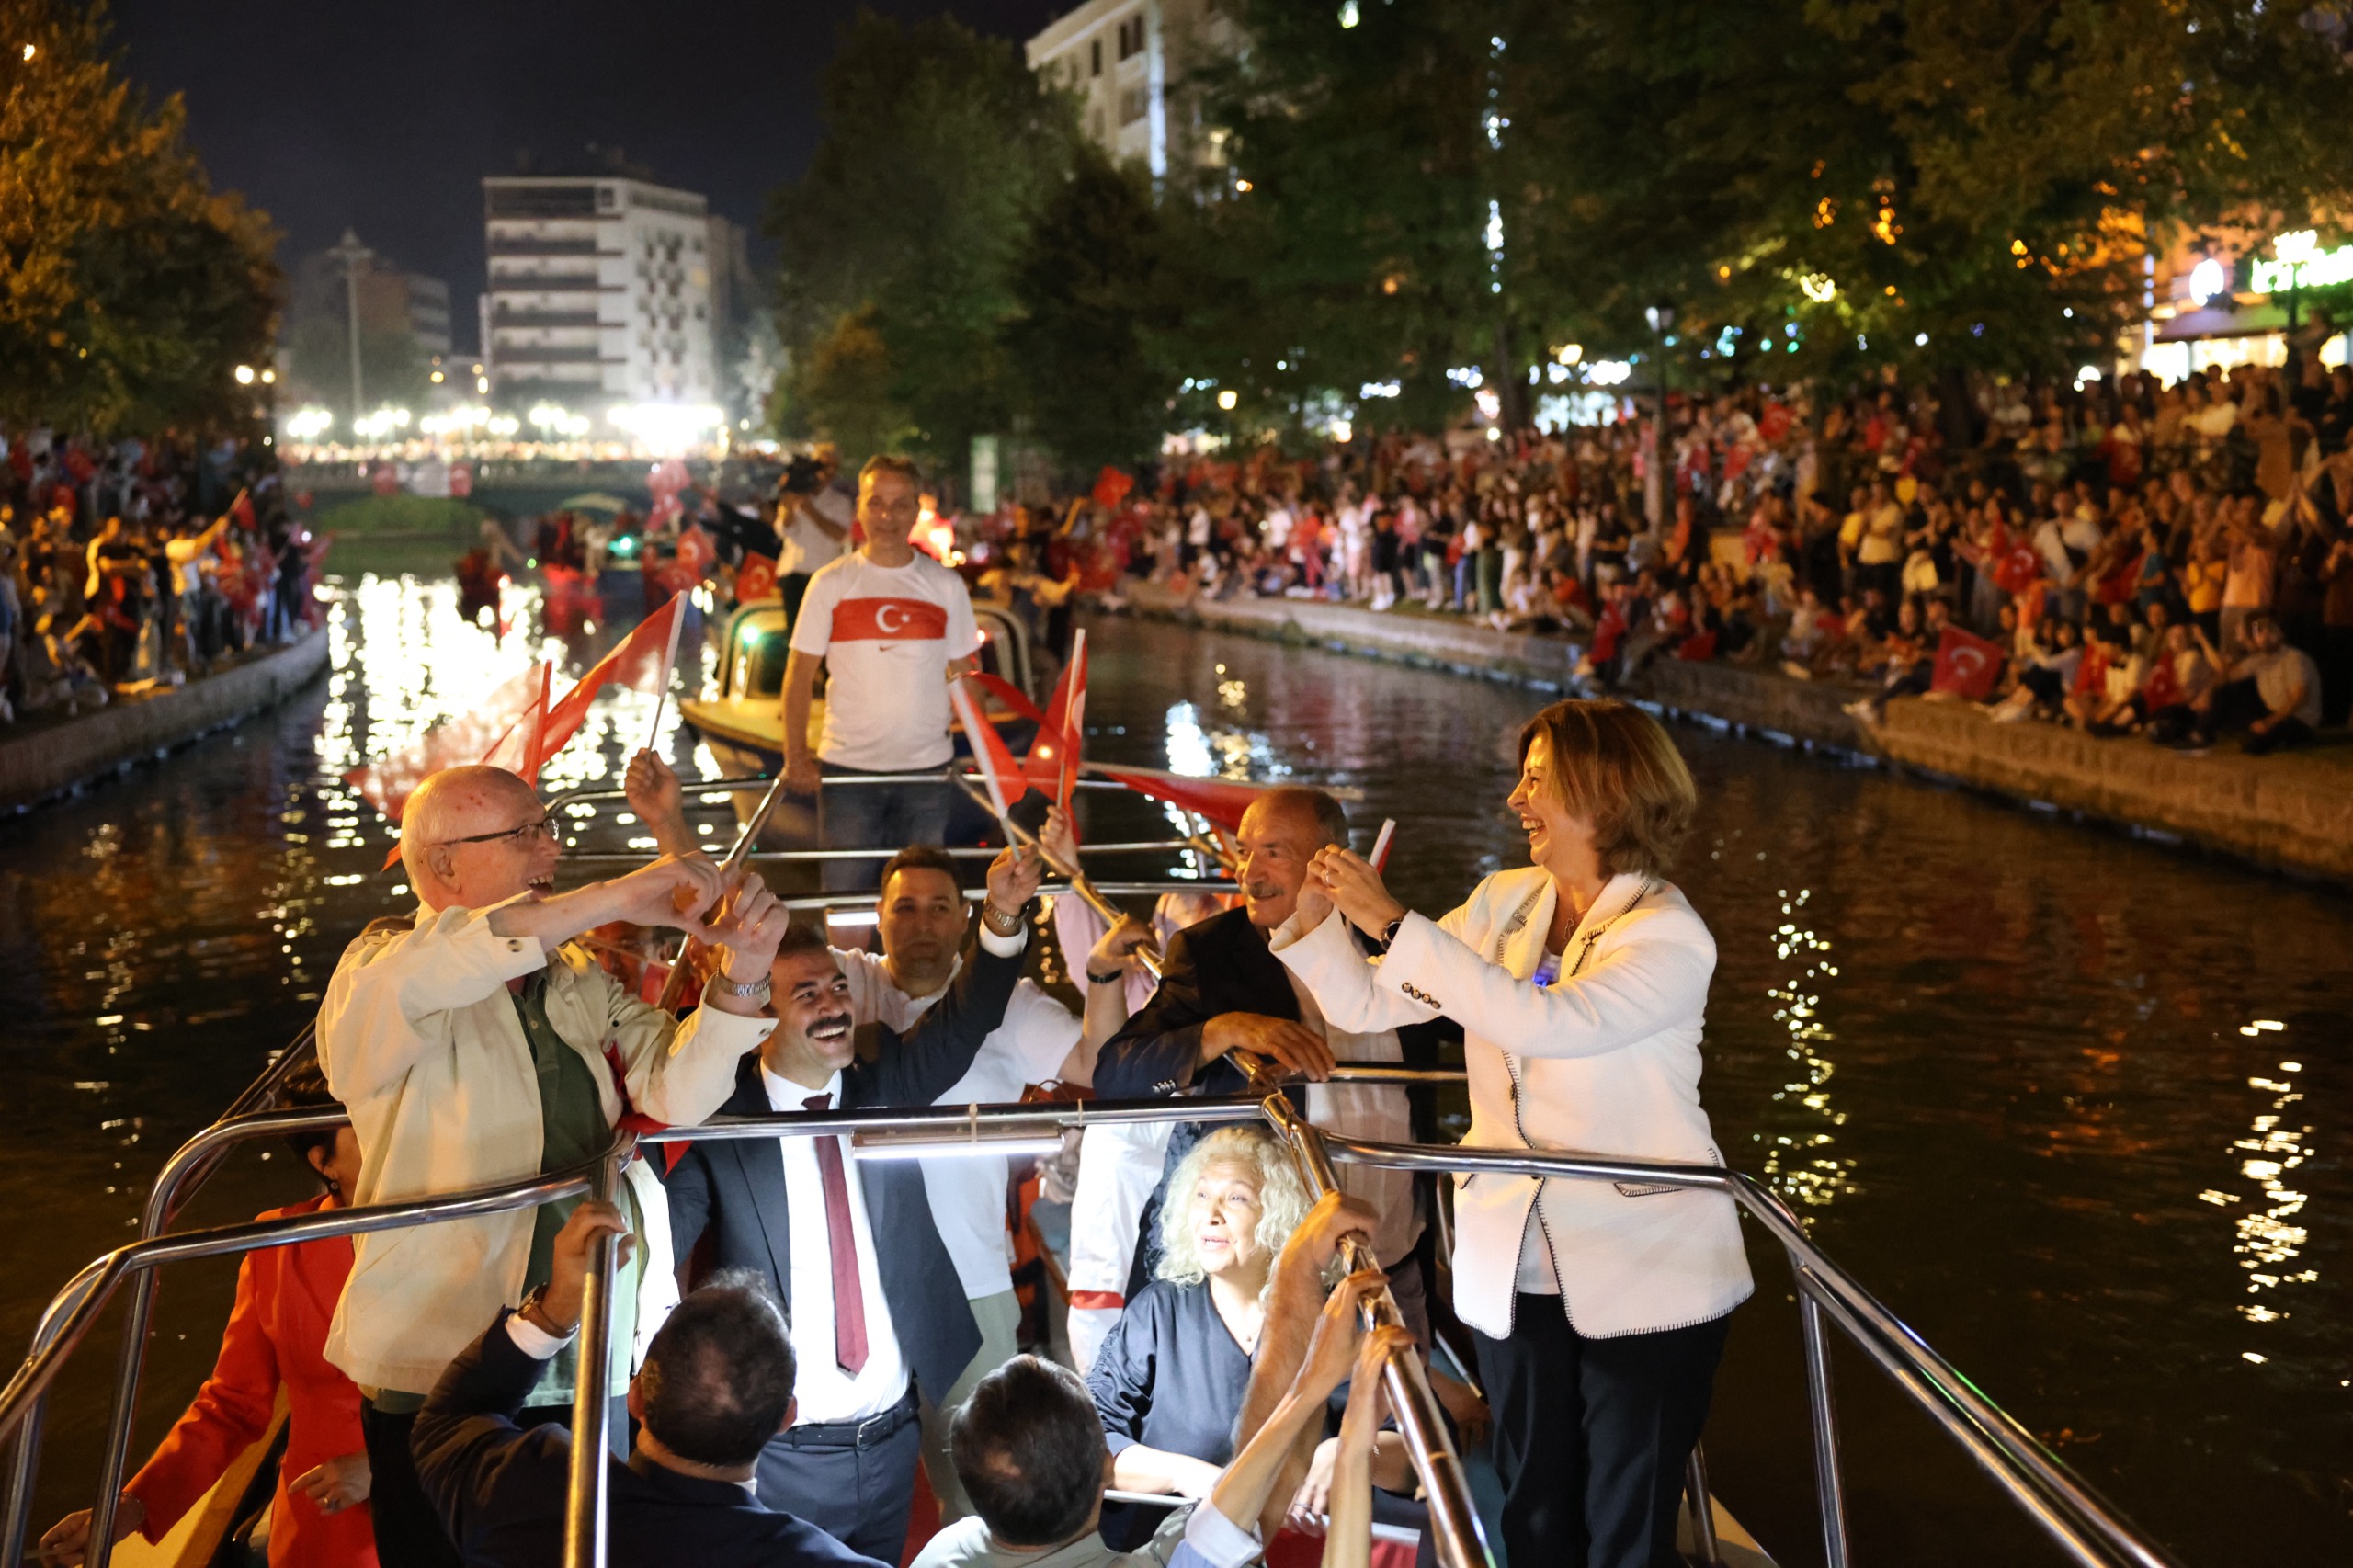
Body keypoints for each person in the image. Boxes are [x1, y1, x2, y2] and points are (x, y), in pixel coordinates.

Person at [1276, 699, 1752, 1568]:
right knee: (1533, 1505)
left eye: (1538, 780)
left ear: (1606, 791)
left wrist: (1391, 923)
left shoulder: (1668, 935)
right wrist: (1308, 920)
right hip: (1518, 1261)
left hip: (1650, 1271)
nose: (1515, 800)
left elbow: (1548, 1024)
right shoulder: (1505, 902)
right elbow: (1370, 1004)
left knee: (1627, 1524)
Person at [317, 765, 792, 1568]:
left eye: (547, 826)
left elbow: (676, 1090)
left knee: (583, 1550)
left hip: (591, 1340)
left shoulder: (572, 976)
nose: (554, 845)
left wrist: (746, 969)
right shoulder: (379, 970)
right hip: (441, 1353)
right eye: (526, 832)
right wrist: (617, 895)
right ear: (442, 869)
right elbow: (447, 965)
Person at [663, 838, 1043, 1565]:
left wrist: (1000, 914)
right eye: (804, 995)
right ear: (761, 1019)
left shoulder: (885, 1077)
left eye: (836, 987)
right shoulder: (721, 1121)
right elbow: (662, 1249)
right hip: (782, 1447)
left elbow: (965, 1019)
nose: (832, 1005)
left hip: (896, 1430)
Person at [1094, 787, 1440, 1335]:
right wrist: (1223, 1030)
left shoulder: (1394, 946)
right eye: (1244, 851)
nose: (1248, 873)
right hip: (1269, 1275)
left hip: (1393, 1264)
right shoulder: (1209, 953)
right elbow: (1116, 1075)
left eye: (1273, 852)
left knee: (1397, 1419)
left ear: (1333, 861)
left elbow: (1477, 1026)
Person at [412, 1201, 881, 1568]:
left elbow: (447, 1421)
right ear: (785, 1418)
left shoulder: (531, 1492)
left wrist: (557, 1308)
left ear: (637, 1395)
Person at [40, 1066, 378, 1568]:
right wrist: (130, 1508)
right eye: (369, 1128)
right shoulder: (278, 1244)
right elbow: (233, 1403)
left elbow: (499, 1393)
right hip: (320, 1520)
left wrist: (384, 1467)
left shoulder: (457, 1226)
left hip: (433, 1495)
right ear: (323, 1161)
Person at [915, 1260, 1402, 1568]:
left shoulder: (941, 1553)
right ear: (1106, 1469)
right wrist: (1338, 1416)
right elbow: (1239, 1523)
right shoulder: (1169, 1556)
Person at [1085, 1127, 1324, 1550]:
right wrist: (1188, 1476)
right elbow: (1089, 1438)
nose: (1210, 1213)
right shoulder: (1158, 1312)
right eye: (1201, 1195)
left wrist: (1347, 1451)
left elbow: (1408, 1442)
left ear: (1279, 1215)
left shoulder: (1324, 1318)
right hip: (1162, 1552)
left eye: (1235, 1197)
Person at [779, 454, 983, 892]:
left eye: (900, 504)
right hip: (847, 772)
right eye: (876, 503)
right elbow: (799, 675)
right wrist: (795, 755)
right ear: (859, 508)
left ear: (916, 509)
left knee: (922, 900)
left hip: (927, 772)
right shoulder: (830, 583)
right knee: (845, 898)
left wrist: (984, 754)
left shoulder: (946, 585)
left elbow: (965, 675)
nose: (887, 516)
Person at [2186, 610, 2323, 754]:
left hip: (2298, 719)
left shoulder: (2294, 658)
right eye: (2259, 632)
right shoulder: (2260, 660)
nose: (2265, 635)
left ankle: (2280, 739)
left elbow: (2298, 697)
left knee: (2253, 744)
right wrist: (2207, 692)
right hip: (2275, 714)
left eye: (2270, 629)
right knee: (2227, 691)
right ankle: (2201, 736)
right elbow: (2227, 675)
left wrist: (2268, 722)